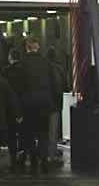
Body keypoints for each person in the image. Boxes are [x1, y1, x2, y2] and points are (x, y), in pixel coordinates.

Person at [6, 37, 59, 173]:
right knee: (43, 133)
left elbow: (17, 88)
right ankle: (44, 159)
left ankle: (32, 157)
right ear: (38, 47)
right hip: (45, 103)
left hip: (27, 104)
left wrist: (17, 110)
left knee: (27, 132)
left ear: (27, 48)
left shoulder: (22, 64)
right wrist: (55, 104)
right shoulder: (47, 63)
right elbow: (55, 84)